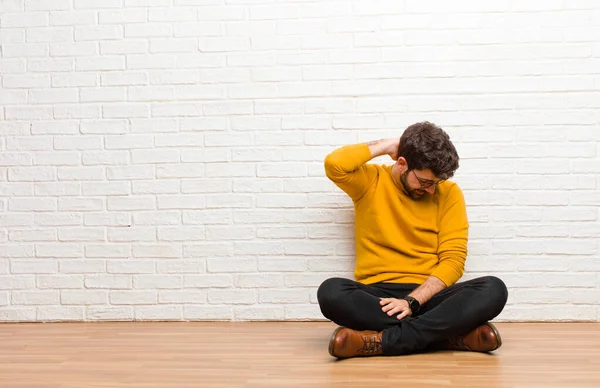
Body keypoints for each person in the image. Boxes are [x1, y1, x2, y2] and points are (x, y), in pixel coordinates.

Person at [318, 122, 508, 359]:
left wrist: (412, 302)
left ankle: (379, 342)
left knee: (493, 289)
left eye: (435, 183)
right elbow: (334, 165)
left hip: (429, 296)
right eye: (425, 182)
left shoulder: (449, 193)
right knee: (331, 292)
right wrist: (387, 145)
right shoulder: (370, 181)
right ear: (402, 164)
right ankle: (448, 336)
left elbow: (454, 260)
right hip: (380, 297)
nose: (430, 190)